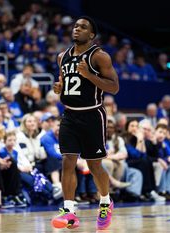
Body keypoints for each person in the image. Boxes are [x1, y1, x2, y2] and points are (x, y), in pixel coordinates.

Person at [51, 16, 119, 230]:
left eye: (83, 27)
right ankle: (69, 210)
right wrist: (60, 88)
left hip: (92, 115)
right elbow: (67, 82)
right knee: (67, 161)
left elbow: (114, 87)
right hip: (70, 115)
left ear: (91, 35)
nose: (77, 29)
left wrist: (89, 75)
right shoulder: (62, 57)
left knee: (94, 164)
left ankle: (106, 202)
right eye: (75, 26)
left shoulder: (100, 56)